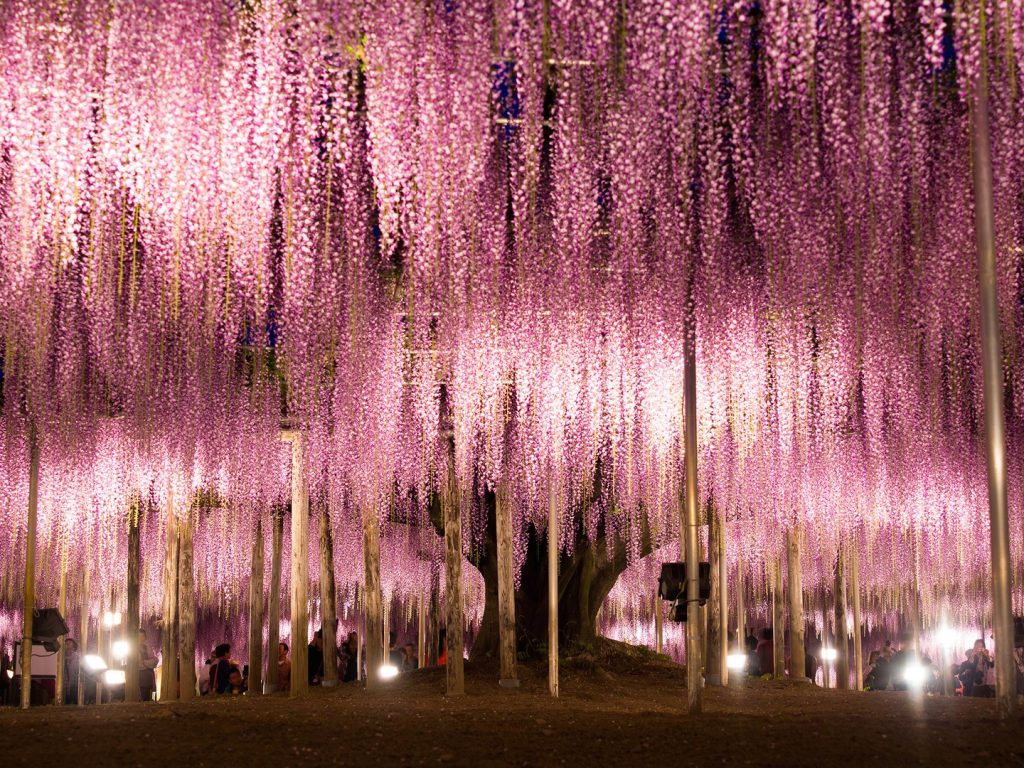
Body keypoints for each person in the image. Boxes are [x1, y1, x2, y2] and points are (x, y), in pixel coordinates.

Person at [138, 630, 158, 701]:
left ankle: (150, 705)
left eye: (142, 636)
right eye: (139, 636)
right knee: (142, 695)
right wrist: (149, 663)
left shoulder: (148, 648)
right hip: (140, 677)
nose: (141, 638)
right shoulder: (134, 649)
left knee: (150, 694)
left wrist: (145, 662)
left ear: (145, 638)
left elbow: (155, 661)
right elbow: (138, 664)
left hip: (149, 676)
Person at [63, 638, 81, 704]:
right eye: (66, 644)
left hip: (75, 685)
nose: (67, 645)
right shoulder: (61, 657)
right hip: (64, 685)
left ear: (74, 647)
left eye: (70, 643)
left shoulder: (78, 658)